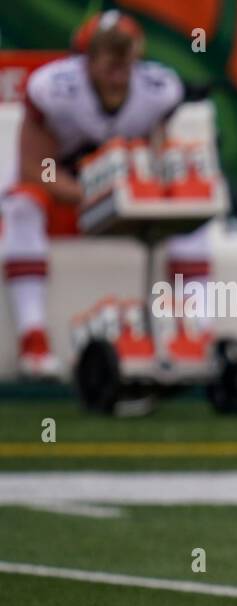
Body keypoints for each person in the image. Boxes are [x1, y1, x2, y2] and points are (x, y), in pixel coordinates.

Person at [2, 11, 212, 379]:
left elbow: (160, 160)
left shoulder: (157, 92)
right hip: (67, 199)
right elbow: (33, 170)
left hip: (125, 203)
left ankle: (193, 335)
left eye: (122, 52)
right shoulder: (55, 91)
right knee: (22, 205)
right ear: (87, 58)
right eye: (106, 53)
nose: (115, 65)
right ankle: (33, 341)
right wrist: (93, 194)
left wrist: (140, 191)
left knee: (192, 215)